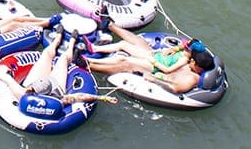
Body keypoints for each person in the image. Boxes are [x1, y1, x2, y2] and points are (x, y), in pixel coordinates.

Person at [80, 9, 215, 93]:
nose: (191, 61)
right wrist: (175, 48)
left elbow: (175, 88)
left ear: (199, 68)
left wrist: (154, 80)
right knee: (138, 42)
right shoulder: (193, 61)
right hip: (158, 58)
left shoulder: (192, 78)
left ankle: (88, 65)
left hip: (156, 71)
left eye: (193, 62)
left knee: (127, 63)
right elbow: (192, 44)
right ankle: (109, 24)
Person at [0, 28, 117, 106]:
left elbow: (6, 78)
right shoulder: (59, 100)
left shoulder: (23, 93)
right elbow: (79, 96)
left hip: (43, 83)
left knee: (54, 57)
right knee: (56, 57)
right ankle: (65, 41)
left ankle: (65, 41)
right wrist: (102, 98)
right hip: (51, 85)